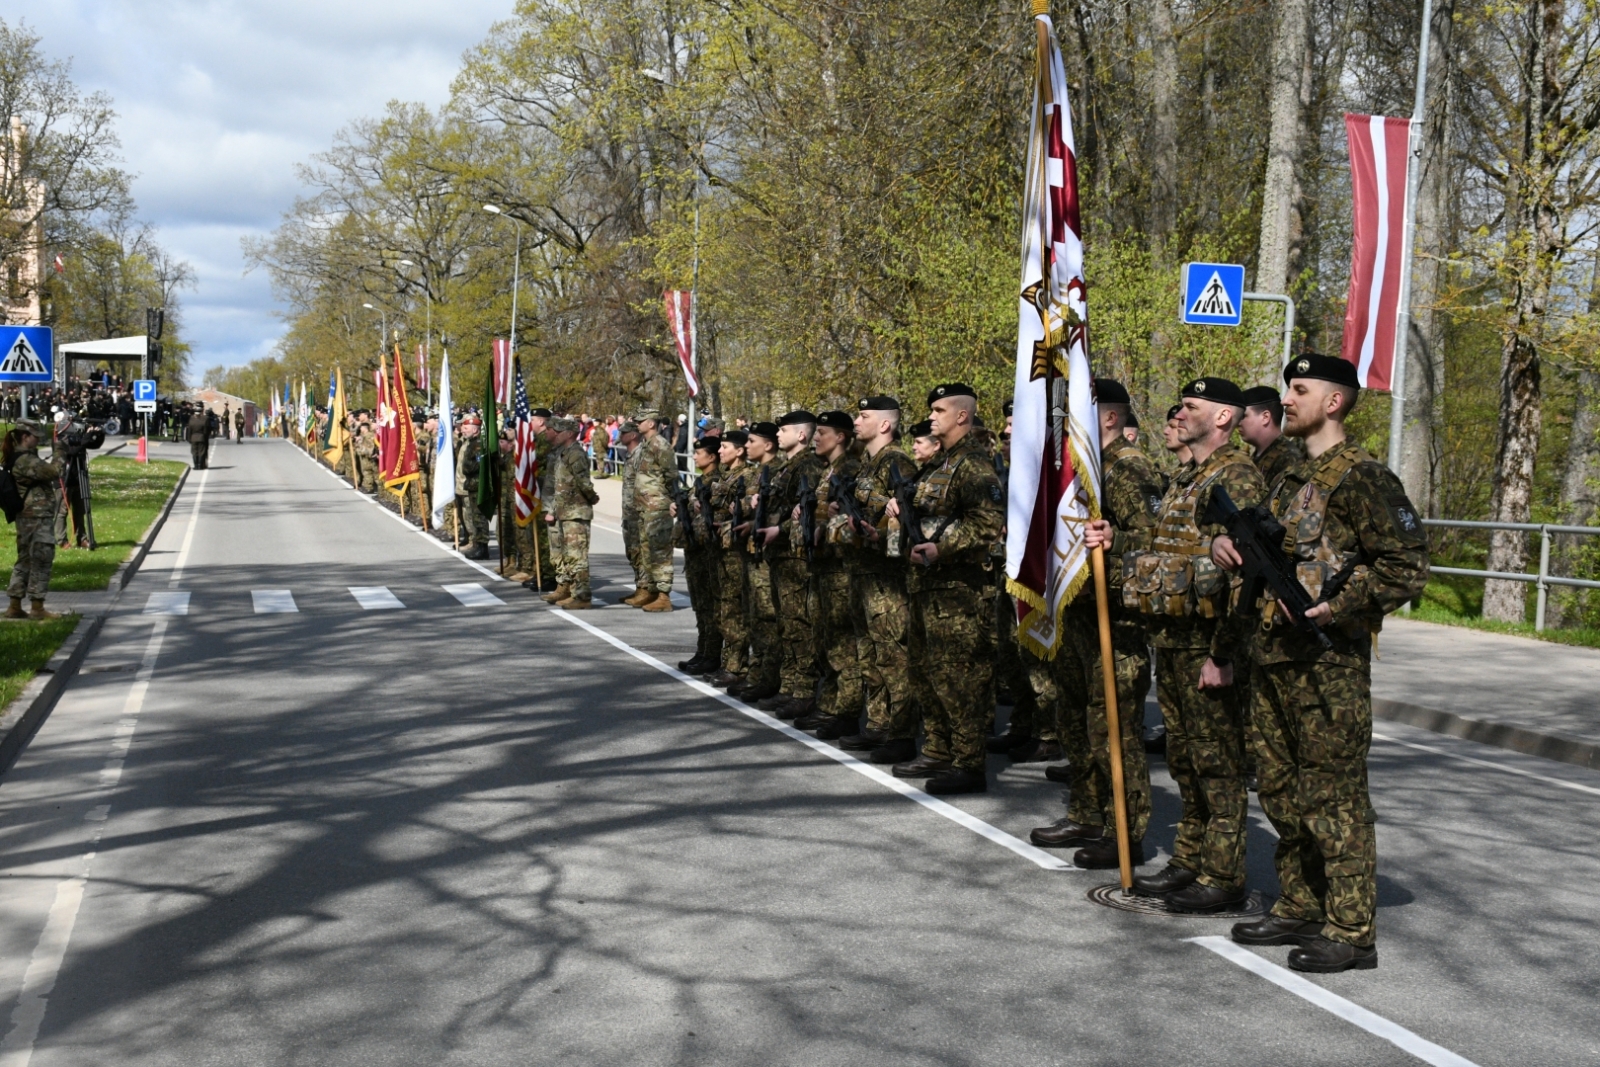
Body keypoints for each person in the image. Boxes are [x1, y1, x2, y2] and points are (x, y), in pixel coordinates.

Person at [1217, 354, 1429, 973]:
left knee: (1333, 797)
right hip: (1274, 659)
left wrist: (1337, 606)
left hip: (1327, 665)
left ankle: (1351, 928)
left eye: (1300, 389)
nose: (1287, 398)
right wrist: (1223, 545)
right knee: (1282, 792)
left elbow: (1406, 565)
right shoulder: (1286, 477)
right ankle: (1302, 902)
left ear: (1333, 402)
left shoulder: (1364, 477)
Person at [1118, 377, 1267, 911]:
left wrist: (1223, 654)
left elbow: (1247, 577)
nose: (1178, 414)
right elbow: (1170, 547)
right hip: (1175, 639)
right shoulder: (1189, 476)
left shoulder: (1237, 478)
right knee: (1185, 759)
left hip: (1208, 644)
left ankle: (1222, 876)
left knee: (1218, 763)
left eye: (1190, 407)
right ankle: (1190, 860)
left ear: (1223, 417)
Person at [1034, 379, 1165, 870]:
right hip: (1080, 610)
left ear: (1108, 418)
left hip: (1120, 617)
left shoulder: (1129, 470)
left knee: (1113, 728)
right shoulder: (1080, 469)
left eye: (1076, 414)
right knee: (1076, 717)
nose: (1066, 423)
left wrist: (1116, 538)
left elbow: (1154, 540)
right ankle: (1087, 812)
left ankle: (1123, 831)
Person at [887, 384, 1004, 795]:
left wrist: (942, 547)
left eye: (939, 410)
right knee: (926, 671)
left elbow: (987, 523)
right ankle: (938, 749)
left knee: (961, 679)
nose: (931, 417)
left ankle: (969, 762)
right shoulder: (942, 464)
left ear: (961, 416)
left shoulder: (974, 466)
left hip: (960, 591)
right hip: (927, 586)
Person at [839, 397, 919, 759]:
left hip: (888, 577)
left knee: (893, 656)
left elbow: (906, 517)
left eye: (864, 416)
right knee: (869, 653)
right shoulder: (869, 464)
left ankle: (900, 734)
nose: (857, 421)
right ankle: (877, 724)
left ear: (885, 424)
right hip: (864, 572)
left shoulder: (897, 461)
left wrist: (880, 530)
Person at [797, 410, 862, 736]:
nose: (816, 437)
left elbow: (850, 520)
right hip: (823, 567)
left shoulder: (849, 469)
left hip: (840, 569)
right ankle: (829, 705)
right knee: (826, 642)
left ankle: (845, 710)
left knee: (842, 645)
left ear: (840, 437)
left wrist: (824, 517)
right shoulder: (827, 471)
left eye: (822, 432)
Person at [756, 411, 822, 718]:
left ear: (801, 435)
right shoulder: (787, 466)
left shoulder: (807, 464)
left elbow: (802, 512)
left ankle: (804, 691)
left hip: (795, 556)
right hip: (781, 554)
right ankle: (790, 687)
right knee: (787, 624)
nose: (778, 434)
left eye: (784, 430)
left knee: (799, 626)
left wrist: (778, 529)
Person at [734, 422, 783, 700]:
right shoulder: (757, 473)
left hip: (767, 558)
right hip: (751, 553)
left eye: (752, 441)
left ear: (768, 444)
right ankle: (757, 672)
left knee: (767, 618)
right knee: (754, 617)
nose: (747, 446)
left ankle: (768, 676)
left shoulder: (777, 472)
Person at [707, 430, 754, 687]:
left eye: (725, 447)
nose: (720, 451)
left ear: (739, 450)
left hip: (736, 551)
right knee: (724, 608)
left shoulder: (747, 477)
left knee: (734, 608)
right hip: (720, 549)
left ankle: (737, 666)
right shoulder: (726, 476)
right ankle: (728, 663)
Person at [4, 421, 63, 620]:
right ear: (24, 436)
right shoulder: (25, 460)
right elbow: (54, 472)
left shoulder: (20, 457)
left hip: (28, 516)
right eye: (35, 436)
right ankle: (37, 607)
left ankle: (14, 605)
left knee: (25, 559)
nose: (38, 439)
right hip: (35, 516)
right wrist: (60, 452)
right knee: (42, 557)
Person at [542, 417, 600, 608]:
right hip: (565, 511)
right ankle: (570, 590)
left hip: (576, 511)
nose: (555, 435)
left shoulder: (575, 453)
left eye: (558, 432)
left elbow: (583, 482)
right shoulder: (563, 453)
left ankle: (582, 596)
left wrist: (592, 498)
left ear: (568, 434)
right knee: (568, 555)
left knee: (577, 556)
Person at [676, 436, 723, 673]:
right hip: (695, 550)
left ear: (712, 456)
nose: (694, 456)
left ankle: (712, 653)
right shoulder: (701, 480)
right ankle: (703, 650)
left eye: (699, 453)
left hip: (707, 552)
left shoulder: (716, 480)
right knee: (700, 606)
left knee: (709, 605)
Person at [627, 408, 680, 612]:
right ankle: (651, 591)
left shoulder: (660, 445)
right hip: (644, 508)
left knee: (660, 552)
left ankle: (664, 596)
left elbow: (671, 475)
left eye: (641, 421)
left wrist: (670, 501)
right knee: (647, 552)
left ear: (651, 423)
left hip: (657, 508)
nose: (637, 424)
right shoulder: (645, 445)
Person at [1240, 385, 1306, 489]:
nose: (1238, 422)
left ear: (1265, 417)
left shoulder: (1288, 458)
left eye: (1243, 416)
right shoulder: (1257, 455)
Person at [455, 413, 491, 559]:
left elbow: (474, 466)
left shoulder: (478, 445)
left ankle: (482, 547)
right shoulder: (469, 443)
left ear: (475, 429)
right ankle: (476, 544)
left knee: (479, 518)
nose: (463, 430)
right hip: (470, 486)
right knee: (473, 517)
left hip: (478, 486)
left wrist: (467, 468)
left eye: (466, 428)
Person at [187, 405, 213, 469]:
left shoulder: (191, 419)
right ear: (201, 412)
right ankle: (200, 465)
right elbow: (206, 430)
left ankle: (196, 465)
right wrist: (205, 436)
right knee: (201, 452)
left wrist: (189, 438)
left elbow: (189, 430)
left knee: (194, 452)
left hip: (193, 438)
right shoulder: (204, 419)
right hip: (202, 437)